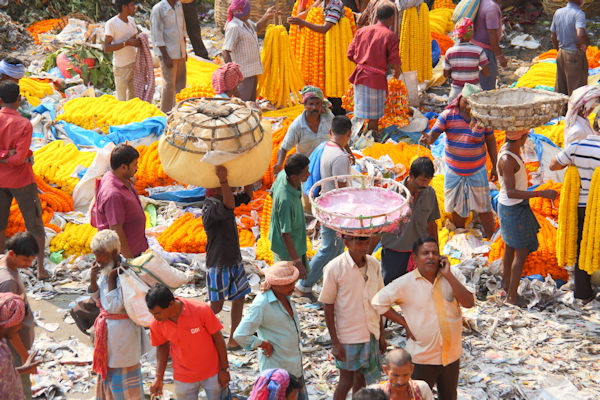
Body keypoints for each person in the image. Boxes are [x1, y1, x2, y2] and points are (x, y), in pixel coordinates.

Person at [371, 238, 475, 400]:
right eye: (425, 253)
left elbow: (469, 303)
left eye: (434, 253)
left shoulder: (452, 275)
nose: (431, 257)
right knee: (416, 396)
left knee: (449, 396)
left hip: (452, 355)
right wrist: (404, 322)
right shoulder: (405, 283)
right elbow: (377, 302)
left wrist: (448, 275)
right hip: (423, 357)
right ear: (414, 258)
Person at [420, 84, 497, 239]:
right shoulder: (448, 115)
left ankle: (491, 238)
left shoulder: (483, 118)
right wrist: (429, 139)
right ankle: (462, 234)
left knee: (483, 206)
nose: (468, 106)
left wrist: (494, 166)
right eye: (466, 102)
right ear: (459, 99)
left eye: (472, 103)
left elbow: (490, 140)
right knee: (457, 207)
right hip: (454, 169)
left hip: (477, 169)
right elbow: (434, 133)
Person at [319, 235, 386, 400]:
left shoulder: (374, 264)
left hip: (371, 332)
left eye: (366, 241)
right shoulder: (335, 267)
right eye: (358, 241)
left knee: (362, 378)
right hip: (348, 335)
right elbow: (328, 305)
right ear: (347, 242)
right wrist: (335, 342)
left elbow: (378, 301)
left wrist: (381, 335)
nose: (363, 246)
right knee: (346, 380)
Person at [497, 131, 559, 305]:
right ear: (522, 138)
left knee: (510, 246)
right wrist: (540, 193)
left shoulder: (509, 151)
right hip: (511, 208)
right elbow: (511, 191)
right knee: (521, 251)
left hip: (514, 206)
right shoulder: (507, 159)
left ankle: (506, 284)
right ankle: (511, 296)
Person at [296, 116, 352, 297]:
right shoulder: (340, 157)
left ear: (330, 132)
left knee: (335, 248)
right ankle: (304, 283)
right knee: (329, 247)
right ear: (349, 134)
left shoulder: (325, 147)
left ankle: (328, 282)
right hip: (334, 209)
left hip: (325, 204)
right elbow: (342, 188)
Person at [234, 262, 307, 399]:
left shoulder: (286, 295)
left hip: (295, 366)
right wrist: (263, 344)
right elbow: (240, 335)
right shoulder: (262, 304)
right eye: (288, 284)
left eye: (293, 283)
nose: (293, 287)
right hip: (279, 374)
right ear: (275, 284)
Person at [146, 283, 230, 400]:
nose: (155, 317)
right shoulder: (156, 324)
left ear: (171, 304)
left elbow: (218, 338)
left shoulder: (200, 310)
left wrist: (224, 369)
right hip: (183, 376)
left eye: (157, 313)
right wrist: (158, 378)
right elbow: (162, 347)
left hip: (212, 372)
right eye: (152, 314)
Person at [89, 230, 147, 398]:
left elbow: (114, 307)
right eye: (96, 257)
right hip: (108, 332)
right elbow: (97, 300)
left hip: (123, 334)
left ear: (114, 252)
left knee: (122, 381)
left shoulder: (126, 272)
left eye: (101, 257)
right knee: (108, 373)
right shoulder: (105, 269)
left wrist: (113, 279)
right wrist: (93, 280)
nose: (97, 262)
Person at [549, 119, 600, 303]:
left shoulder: (577, 146)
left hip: (579, 207)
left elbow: (553, 165)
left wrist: (573, 165)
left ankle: (583, 293)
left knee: (580, 248)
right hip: (596, 208)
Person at [0, 81, 47, 279]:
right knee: (35, 225)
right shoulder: (24, 124)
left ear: (0, 100)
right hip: (22, 181)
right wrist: (10, 154)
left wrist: (2, 154)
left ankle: (3, 267)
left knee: (0, 225)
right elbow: (19, 160)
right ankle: (41, 269)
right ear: (19, 100)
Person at [202, 166, 252, 350]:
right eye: (226, 187)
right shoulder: (209, 208)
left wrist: (248, 173)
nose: (231, 189)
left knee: (239, 298)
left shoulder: (224, 198)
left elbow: (247, 195)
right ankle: (196, 331)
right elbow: (230, 205)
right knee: (216, 304)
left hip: (233, 259)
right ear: (215, 189)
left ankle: (233, 338)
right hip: (218, 263)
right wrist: (224, 181)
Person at [378, 157, 440, 285]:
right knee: (390, 290)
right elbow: (380, 226)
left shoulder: (430, 193)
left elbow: (431, 224)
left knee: (416, 291)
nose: (424, 185)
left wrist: (435, 253)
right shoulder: (393, 194)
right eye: (422, 180)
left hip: (418, 253)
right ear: (411, 176)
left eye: (428, 181)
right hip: (394, 253)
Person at [347, 3, 402, 139]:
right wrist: (397, 72)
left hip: (359, 75)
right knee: (374, 115)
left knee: (359, 112)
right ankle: (372, 137)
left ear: (376, 16)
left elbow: (349, 53)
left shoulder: (361, 31)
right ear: (391, 18)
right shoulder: (390, 35)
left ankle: (355, 136)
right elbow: (394, 60)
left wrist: (363, 63)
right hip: (376, 80)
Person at [288, 0, 347, 115]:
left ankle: (338, 114)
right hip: (325, 50)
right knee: (326, 82)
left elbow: (325, 28)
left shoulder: (335, 4)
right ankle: (329, 111)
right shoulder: (322, 3)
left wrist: (303, 23)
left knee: (333, 84)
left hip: (333, 51)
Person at [0, 232, 40, 399]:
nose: (29, 264)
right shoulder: (8, 282)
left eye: (32, 260)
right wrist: (24, 356)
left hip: (15, 344)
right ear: (12, 254)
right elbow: (9, 327)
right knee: (20, 388)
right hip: (14, 347)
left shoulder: (7, 265)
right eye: (25, 260)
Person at [92, 144, 148, 259]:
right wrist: (129, 261)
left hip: (138, 248)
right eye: (134, 165)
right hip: (126, 257)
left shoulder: (116, 176)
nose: (137, 168)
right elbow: (116, 231)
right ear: (123, 167)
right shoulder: (114, 195)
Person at [274, 86, 338, 176]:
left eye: (317, 104)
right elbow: (284, 148)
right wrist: (279, 164)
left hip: (326, 164)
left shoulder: (328, 117)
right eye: (311, 104)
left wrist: (348, 153)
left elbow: (338, 134)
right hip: (306, 169)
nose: (314, 107)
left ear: (321, 104)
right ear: (305, 105)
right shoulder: (297, 125)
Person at [222, 0, 277, 102]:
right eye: (249, 10)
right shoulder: (234, 27)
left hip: (252, 70)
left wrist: (266, 16)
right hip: (243, 73)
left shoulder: (246, 22)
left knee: (251, 102)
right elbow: (225, 51)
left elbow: (256, 29)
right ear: (243, 12)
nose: (250, 12)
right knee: (243, 103)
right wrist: (232, 72)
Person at [269, 154, 310, 279]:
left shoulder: (283, 174)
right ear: (294, 177)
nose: (308, 175)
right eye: (305, 173)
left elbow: (271, 192)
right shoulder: (286, 200)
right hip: (287, 250)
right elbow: (285, 234)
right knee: (285, 281)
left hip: (296, 241)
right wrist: (297, 262)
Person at [0, 293, 41, 400]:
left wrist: (22, 369)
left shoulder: (3, 343)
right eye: (19, 322)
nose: (20, 327)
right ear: (8, 323)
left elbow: (3, 374)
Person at [151, 0, 187, 112]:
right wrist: (165, 56)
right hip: (168, 54)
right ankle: (166, 113)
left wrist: (184, 50)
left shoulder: (178, 5)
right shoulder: (159, 9)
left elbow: (183, 28)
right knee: (169, 86)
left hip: (180, 51)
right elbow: (157, 36)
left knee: (181, 84)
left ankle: (180, 110)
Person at [443, 18, 490, 103]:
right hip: (473, 90)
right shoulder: (478, 51)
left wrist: (455, 71)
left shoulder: (450, 52)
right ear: (471, 33)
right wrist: (478, 71)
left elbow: (445, 74)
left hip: (456, 90)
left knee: (452, 112)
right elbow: (487, 73)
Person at [104, 0, 140, 102]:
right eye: (132, 5)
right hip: (121, 68)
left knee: (133, 100)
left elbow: (135, 40)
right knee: (122, 100)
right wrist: (126, 43)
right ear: (124, 7)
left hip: (133, 64)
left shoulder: (131, 21)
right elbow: (106, 48)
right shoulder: (111, 24)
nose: (134, 7)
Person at [551, 0, 588, 96]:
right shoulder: (579, 14)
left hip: (561, 52)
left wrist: (558, 50)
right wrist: (583, 46)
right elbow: (580, 34)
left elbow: (553, 35)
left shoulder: (558, 12)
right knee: (577, 90)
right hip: (574, 55)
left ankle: (561, 110)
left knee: (561, 87)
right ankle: (575, 111)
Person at [472, 0, 506, 90]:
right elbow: (492, 34)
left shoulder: (483, 2)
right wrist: (500, 56)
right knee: (487, 87)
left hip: (475, 46)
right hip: (485, 51)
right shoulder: (492, 8)